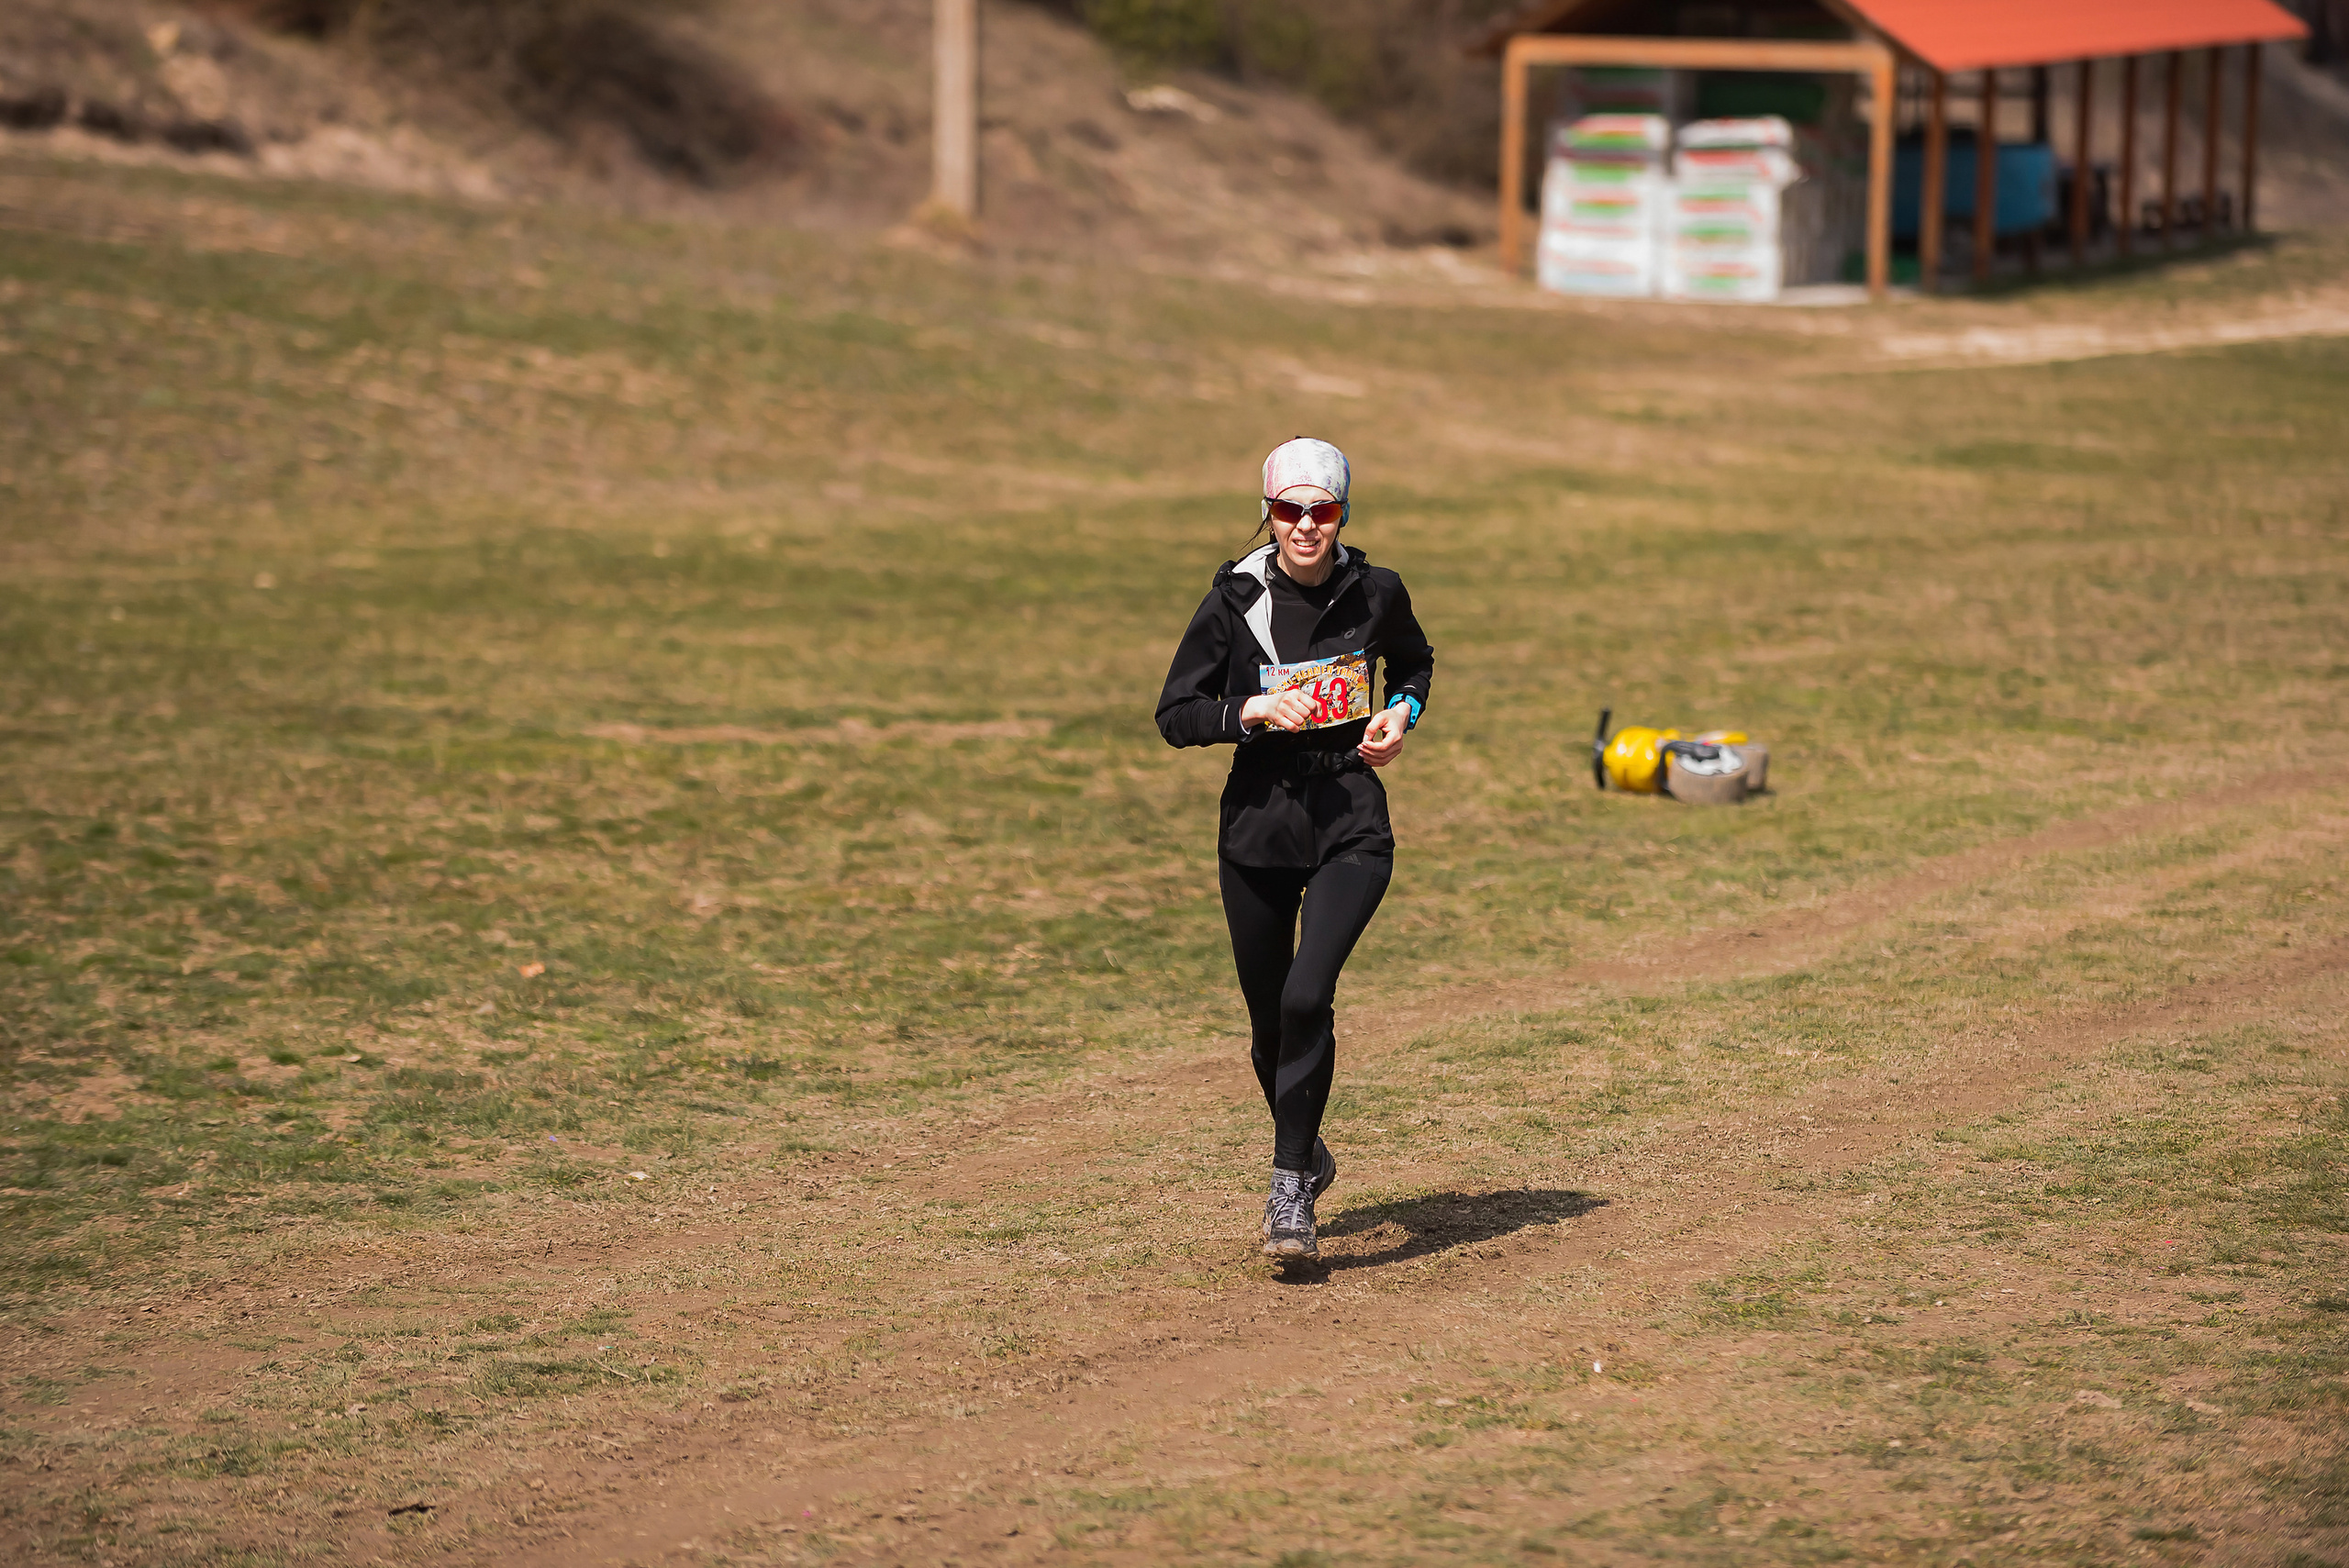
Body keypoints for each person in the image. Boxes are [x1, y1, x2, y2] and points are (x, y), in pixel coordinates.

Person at [1155, 438, 1434, 1261]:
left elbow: (1415, 663)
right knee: (1271, 1019)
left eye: (1322, 510)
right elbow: (1175, 714)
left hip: (1351, 815)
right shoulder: (1234, 600)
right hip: (1257, 825)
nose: (1306, 525)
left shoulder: (1376, 591)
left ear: (1342, 513)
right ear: (1269, 514)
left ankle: (1287, 1194)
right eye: (1290, 510)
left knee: (1311, 992)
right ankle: (1308, 1146)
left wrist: (1401, 715)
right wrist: (1246, 713)